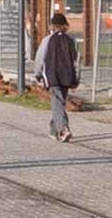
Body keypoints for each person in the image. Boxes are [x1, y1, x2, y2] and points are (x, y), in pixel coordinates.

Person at [33, 9, 79, 142]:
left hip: (52, 75)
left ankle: (63, 129)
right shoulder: (71, 40)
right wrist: (76, 78)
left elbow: (40, 58)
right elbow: (76, 61)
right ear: (66, 25)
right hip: (67, 76)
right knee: (59, 102)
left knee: (57, 103)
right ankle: (54, 131)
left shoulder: (47, 40)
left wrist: (38, 73)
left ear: (52, 26)